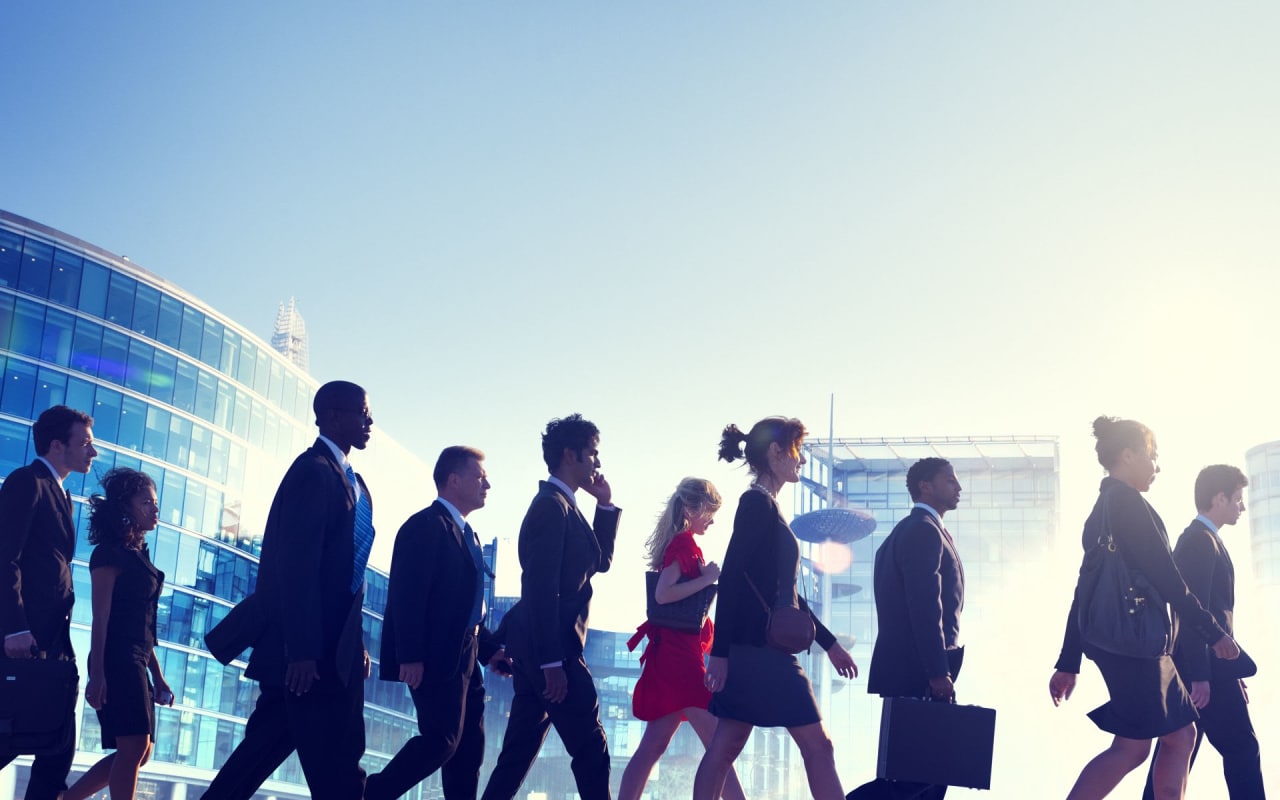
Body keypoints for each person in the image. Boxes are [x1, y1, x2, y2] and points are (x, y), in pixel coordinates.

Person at [1049, 416, 1240, 800]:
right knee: (1147, 744)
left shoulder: (1102, 508)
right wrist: (1213, 633)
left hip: (1126, 642)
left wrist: (1069, 660)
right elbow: (1169, 578)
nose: (1157, 467)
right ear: (1128, 455)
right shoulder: (1128, 505)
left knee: (1167, 739)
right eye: (1153, 456)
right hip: (1134, 644)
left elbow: (1083, 590)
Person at [203, 380, 376, 800]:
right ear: (333, 416)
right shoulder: (312, 473)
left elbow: (344, 572)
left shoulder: (352, 480)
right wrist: (301, 650)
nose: (370, 421)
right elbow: (296, 568)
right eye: (362, 412)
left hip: (335, 653)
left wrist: (354, 645)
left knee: (264, 759)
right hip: (308, 657)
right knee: (337, 767)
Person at [693, 417, 858, 800]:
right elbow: (732, 576)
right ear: (775, 452)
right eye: (796, 452)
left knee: (726, 745)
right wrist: (719, 655)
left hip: (758, 648)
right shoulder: (755, 504)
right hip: (761, 652)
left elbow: (788, 598)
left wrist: (830, 644)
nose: (800, 461)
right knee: (818, 747)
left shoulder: (768, 507)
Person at [480, 414, 620, 800]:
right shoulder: (550, 507)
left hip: (539, 653)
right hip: (553, 652)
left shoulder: (565, 506)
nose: (597, 462)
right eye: (592, 453)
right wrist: (551, 663)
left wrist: (605, 506)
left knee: (516, 758)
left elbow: (599, 562)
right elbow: (539, 589)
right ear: (568, 454)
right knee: (591, 747)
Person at [366, 446, 511, 800]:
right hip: (432, 658)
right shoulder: (424, 527)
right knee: (442, 740)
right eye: (480, 477)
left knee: (468, 750)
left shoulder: (469, 535)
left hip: (466, 656)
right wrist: (410, 656)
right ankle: (370, 793)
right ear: (454, 480)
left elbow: (465, 608)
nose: (487, 485)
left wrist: (489, 650)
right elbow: (407, 595)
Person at [1141, 464, 1265, 799]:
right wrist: (1200, 675)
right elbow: (1191, 612)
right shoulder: (1199, 541)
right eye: (1237, 499)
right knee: (1239, 748)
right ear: (1219, 498)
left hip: (1210, 670)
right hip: (1203, 672)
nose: (1241, 506)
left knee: (1177, 751)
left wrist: (1232, 672)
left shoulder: (1204, 540)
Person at [846, 457, 965, 800]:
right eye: (949, 480)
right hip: (920, 671)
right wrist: (937, 672)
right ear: (925, 486)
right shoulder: (922, 531)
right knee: (914, 777)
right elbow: (925, 606)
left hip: (914, 669)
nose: (958, 487)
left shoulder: (913, 531)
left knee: (930, 774)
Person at [619, 478, 746, 800]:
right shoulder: (684, 545)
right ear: (692, 509)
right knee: (720, 746)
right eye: (710, 513)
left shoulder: (681, 543)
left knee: (653, 747)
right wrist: (707, 579)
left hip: (673, 656)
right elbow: (663, 594)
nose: (713, 520)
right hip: (680, 661)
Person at [0, 405, 97, 800]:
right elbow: (5, 557)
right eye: (86, 443)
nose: (93, 453)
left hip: (53, 642)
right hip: (25, 638)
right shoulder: (28, 482)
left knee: (57, 743)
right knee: (18, 734)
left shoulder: (62, 494)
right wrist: (14, 627)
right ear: (57, 445)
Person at [63, 469, 173, 800]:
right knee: (134, 744)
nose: (155, 510)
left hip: (138, 658)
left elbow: (145, 628)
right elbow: (101, 616)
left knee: (143, 750)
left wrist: (159, 676)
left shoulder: (141, 557)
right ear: (126, 507)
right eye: (147, 503)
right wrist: (97, 674)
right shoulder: (109, 554)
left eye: (156, 503)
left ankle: (66, 799)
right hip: (115, 656)